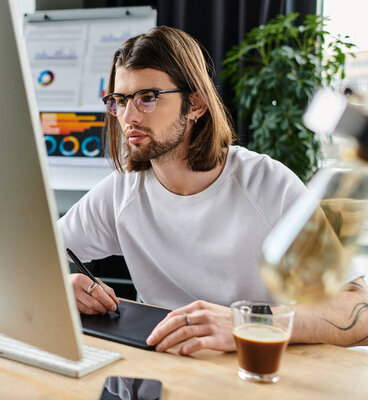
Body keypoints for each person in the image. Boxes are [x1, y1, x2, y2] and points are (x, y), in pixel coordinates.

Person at [58, 26, 368, 355]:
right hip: (163, 362)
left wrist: (245, 323)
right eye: (119, 101)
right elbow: (27, 256)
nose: (128, 116)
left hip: (257, 366)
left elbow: (359, 310)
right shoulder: (119, 193)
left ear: (196, 105)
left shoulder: (266, 183)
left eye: (147, 98)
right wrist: (60, 285)